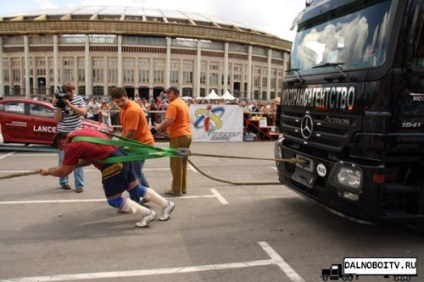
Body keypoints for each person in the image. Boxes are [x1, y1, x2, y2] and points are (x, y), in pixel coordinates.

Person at [39, 128, 175, 228]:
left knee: (114, 200)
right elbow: (90, 159)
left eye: (61, 148)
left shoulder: (72, 146)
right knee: (135, 189)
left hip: (113, 163)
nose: (63, 150)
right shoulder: (81, 132)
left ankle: (147, 213)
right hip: (122, 156)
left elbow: (64, 172)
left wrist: (48, 172)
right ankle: (166, 204)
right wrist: (72, 164)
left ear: (63, 141)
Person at [111, 87, 154, 203]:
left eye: (122, 100)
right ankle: (148, 196)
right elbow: (126, 130)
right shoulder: (123, 109)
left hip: (141, 145)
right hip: (134, 144)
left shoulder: (132, 110)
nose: (120, 103)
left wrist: (118, 145)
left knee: (134, 176)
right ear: (113, 101)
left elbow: (130, 132)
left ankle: (135, 202)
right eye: (117, 101)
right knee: (136, 171)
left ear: (127, 97)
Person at [152, 86, 192, 196]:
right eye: (166, 93)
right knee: (182, 163)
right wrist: (163, 127)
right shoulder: (182, 103)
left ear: (176, 93)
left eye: (169, 93)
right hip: (186, 134)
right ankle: (182, 187)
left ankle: (176, 189)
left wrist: (156, 128)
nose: (167, 95)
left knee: (176, 164)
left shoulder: (173, 104)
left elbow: (169, 120)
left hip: (178, 135)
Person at [53, 81, 86, 193]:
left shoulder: (78, 99)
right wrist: (58, 107)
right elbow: (57, 120)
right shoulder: (58, 100)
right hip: (62, 133)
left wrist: (69, 104)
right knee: (63, 159)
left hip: (76, 133)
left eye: (72, 91)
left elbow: (83, 112)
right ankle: (64, 182)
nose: (71, 93)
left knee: (78, 160)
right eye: (68, 92)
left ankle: (79, 185)